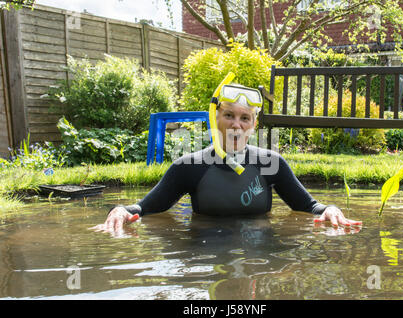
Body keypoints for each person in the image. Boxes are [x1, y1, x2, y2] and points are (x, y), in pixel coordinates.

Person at [92, 83, 362, 234]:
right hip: (204, 253)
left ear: (253, 125)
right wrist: (120, 210)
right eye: (229, 115)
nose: (236, 124)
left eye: (245, 118)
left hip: (260, 253)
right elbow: (145, 208)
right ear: (215, 118)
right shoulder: (188, 167)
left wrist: (330, 210)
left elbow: (310, 206)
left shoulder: (271, 163)